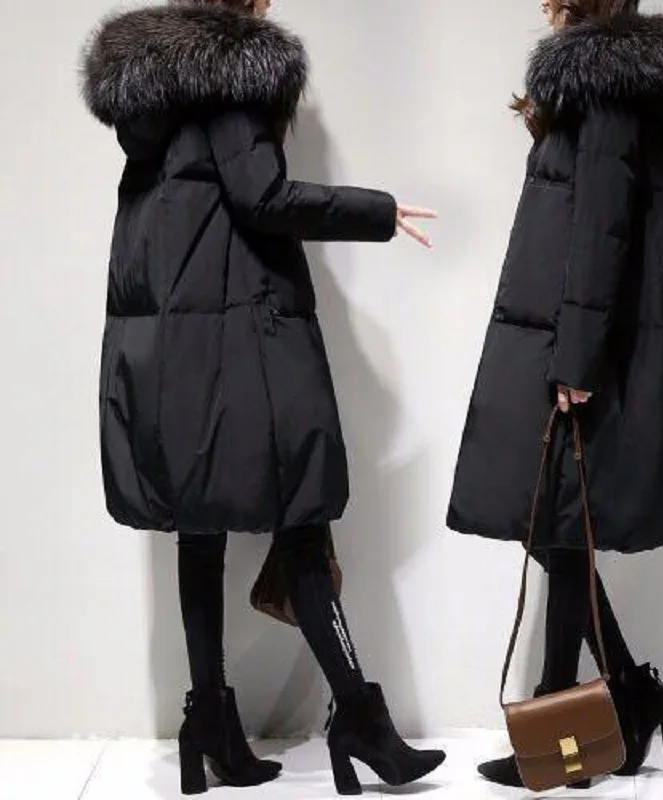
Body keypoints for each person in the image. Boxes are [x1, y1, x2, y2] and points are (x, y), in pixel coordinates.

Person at [81, 0, 444, 795]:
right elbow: (264, 197)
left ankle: (209, 720)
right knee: (302, 517)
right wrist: (380, 212)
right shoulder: (234, 75)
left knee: (199, 526)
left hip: (171, 352)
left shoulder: (150, 96)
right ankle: (359, 719)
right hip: (242, 338)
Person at [448, 0, 663, 789]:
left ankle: (560, 732)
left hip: (574, 349)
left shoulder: (605, 87)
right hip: (564, 337)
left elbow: (602, 231)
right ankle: (629, 696)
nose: (542, 3)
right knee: (556, 527)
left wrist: (575, 359)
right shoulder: (606, 85)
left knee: (563, 532)